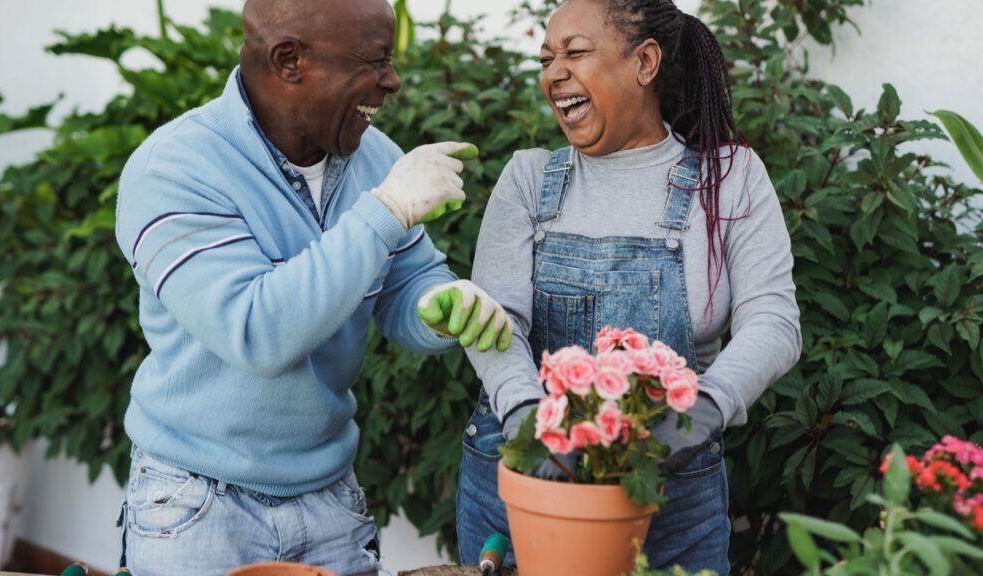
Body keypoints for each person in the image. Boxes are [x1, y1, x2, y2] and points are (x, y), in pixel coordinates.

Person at [112, 0, 512, 574]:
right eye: (373, 62)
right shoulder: (174, 168)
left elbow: (405, 282)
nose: (392, 81)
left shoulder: (375, 157)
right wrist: (388, 209)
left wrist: (437, 306)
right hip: (197, 505)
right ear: (290, 60)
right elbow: (256, 334)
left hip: (330, 498)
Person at [455, 0, 802, 573]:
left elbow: (774, 321)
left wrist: (697, 415)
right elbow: (499, 321)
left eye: (575, 53)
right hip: (523, 483)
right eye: (546, 58)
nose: (554, 73)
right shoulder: (528, 179)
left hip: (673, 493)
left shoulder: (728, 179)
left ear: (644, 62)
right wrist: (524, 420)